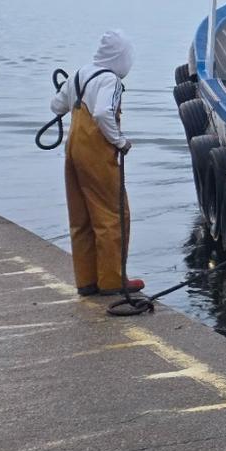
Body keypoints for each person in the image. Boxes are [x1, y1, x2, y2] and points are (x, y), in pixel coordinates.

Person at [49, 30, 145, 296]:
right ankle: (113, 281)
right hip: (96, 153)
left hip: (74, 151)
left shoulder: (80, 74)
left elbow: (56, 106)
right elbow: (103, 113)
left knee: (81, 217)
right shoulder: (110, 81)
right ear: (120, 57)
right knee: (113, 215)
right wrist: (120, 141)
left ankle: (87, 280)